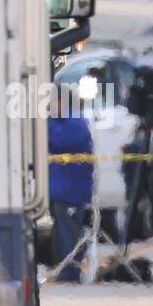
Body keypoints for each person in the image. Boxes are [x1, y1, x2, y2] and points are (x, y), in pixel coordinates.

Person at [47, 85, 94, 284]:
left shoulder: (75, 122)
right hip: (61, 186)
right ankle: (66, 267)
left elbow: (59, 141)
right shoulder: (60, 120)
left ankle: (71, 270)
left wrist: (43, 127)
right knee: (62, 228)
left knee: (70, 230)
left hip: (71, 188)